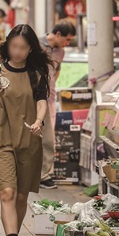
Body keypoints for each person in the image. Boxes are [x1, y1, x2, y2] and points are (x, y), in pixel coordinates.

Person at [0, 24, 54, 236]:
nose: (18, 51)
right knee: (7, 193)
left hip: (29, 141)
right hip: (2, 142)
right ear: (8, 44)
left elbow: (42, 102)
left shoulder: (36, 75)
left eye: (23, 47)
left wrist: (38, 121)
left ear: (30, 48)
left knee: (22, 196)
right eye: (14, 46)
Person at [40, 21, 77, 189]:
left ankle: (45, 175)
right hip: (31, 99)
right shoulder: (37, 45)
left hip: (49, 100)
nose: (67, 44)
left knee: (48, 139)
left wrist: (51, 85)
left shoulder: (60, 52)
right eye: (67, 40)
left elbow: (57, 70)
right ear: (58, 34)